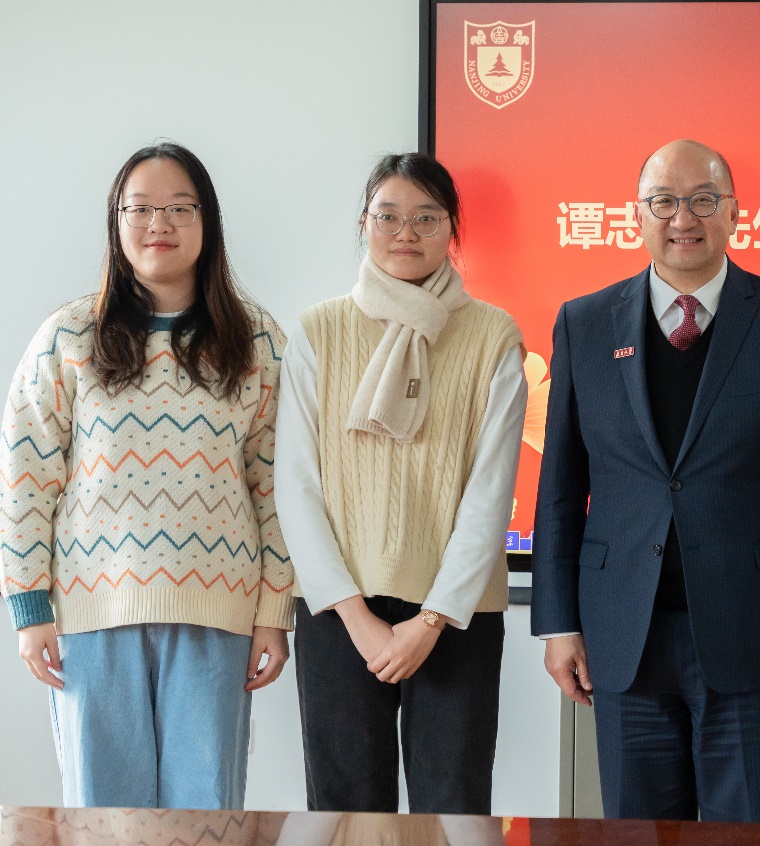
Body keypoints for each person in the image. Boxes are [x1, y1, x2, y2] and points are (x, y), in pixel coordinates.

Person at [531, 139, 760, 822]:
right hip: (624, 635)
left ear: (734, 211)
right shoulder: (583, 323)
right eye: (663, 202)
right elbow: (559, 488)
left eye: (703, 200)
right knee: (635, 832)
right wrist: (557, 623)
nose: (683, 218)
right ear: (637, 215)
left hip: (755, 637)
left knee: (750, 834)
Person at [0, 141, 295, 809]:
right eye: (140, 208)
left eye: (180, 208)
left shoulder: (258, 342)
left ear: (208, 221)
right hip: (90, 617)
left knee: (205, 818)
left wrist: (274, 613)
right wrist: (29, 607)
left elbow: (277, 485)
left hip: (218, 613)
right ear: (117, 221)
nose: (159, 223)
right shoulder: (68, 337)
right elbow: (25, 477)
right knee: (104, 820)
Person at [275, 152, 526, 813]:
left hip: (457, 613)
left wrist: (432, 620)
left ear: (452, 228)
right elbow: (296, 485)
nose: (405, 233)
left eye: (425, 218)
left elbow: (489, 492)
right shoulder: (317, 332)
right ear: (364, 223)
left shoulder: (493, 336)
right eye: (387, 216)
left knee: (453, 811)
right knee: (346, 815)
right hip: (340, 612)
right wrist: (354, 617)